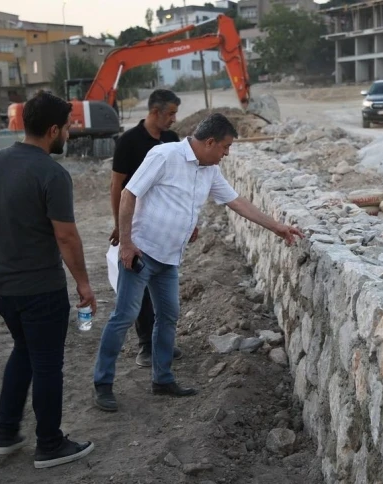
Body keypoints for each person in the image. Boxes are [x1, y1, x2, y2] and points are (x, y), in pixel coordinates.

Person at [93, 113, 304, 412]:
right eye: (225, 147)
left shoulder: (209, 170)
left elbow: (237, 202)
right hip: (142, 253)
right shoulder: (165, 155)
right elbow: (129, 194)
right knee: (124, 317)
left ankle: (162, 379)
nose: (227, 153)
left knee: (168, 316)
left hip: (169, 258)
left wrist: (278, 227)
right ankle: (102, 384)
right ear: (209, 142)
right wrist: (126, 243)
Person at [0, 90, 96, 469]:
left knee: (23, 350)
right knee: (45, 363)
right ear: (54, 129)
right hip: (39, 288)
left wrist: (9, 242)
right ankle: (50, 444)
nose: (70, 135)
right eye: (70, 128)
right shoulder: (51, 173)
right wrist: (84, 284)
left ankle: (6, 433)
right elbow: (66, 236)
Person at [109, 89, 188, 368]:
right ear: (155, 112)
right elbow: (118, 187)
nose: (173, 119)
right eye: (170, 113)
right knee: (138, 289)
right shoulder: (128, 142)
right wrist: (121, 229)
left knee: (162, 290)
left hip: (164, 229)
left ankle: (162, 344)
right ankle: (145, 346)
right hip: (137, 224)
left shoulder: (171, 140)